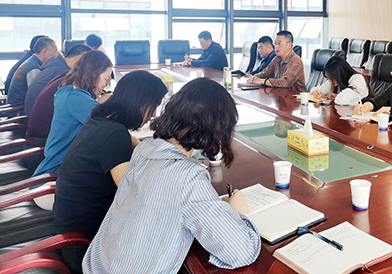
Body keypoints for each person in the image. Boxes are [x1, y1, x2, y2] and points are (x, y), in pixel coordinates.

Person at [83, 78, 261, 273]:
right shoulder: (188, 178)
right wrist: (235, 212)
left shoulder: (143, 149)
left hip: (97, 266)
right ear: (217, 131)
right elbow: (240, 252)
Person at [54, 71, 167, 239]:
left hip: (70, 218)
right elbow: (132, 192)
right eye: (153, 106)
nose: (154, 114)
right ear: (139, 102)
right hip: (86, 234)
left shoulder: (101, 117)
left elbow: (133, 140)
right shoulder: (115, 134)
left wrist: (154, 152)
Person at [33, 51, 113, 176]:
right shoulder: (76, 97)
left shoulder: (68, 90)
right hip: (59, 173)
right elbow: (110, 126)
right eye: (106, 77)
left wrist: (99, 103)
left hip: (61, 165)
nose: (107, 83)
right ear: (95, 74)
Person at [24, 44, 91, 114]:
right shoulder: (63, 73)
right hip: (43, 116)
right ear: (79, 58)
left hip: (35, 113)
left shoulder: (56, 65)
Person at [7, 37, 60, 105]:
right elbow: (35, 95)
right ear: (45, 52)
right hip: (18, 108)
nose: (56, 55)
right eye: (55, 51)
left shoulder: (32, 62)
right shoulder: (34, 69)